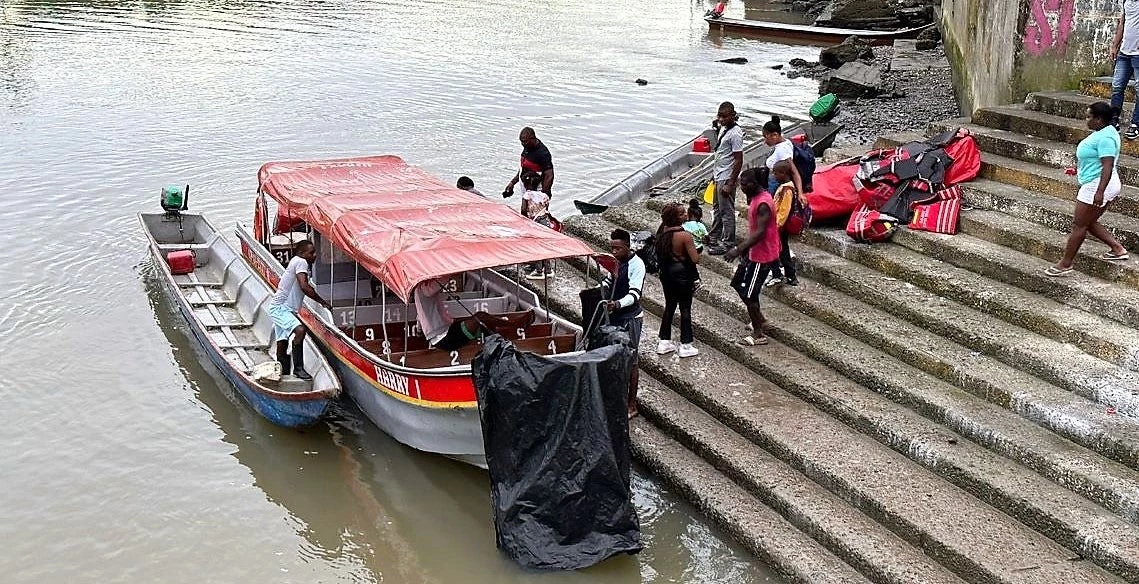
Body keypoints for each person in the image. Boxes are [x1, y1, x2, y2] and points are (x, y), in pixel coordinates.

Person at [1047, 102, 1130, 276]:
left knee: (1079, 225)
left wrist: (1099, 192)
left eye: (1089, 117)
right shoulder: (1105, 132)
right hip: (1095, 181)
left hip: (1097, 185)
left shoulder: (1106, 138)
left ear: (1099, 119)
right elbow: (1096, 161)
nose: (1086, 120)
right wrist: (1079, 170)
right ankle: (1117, 249)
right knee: (1088, 222)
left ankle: (1065, 264)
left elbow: (1107, 165)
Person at [724, 168, 782, 346]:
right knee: (737, 282)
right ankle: (760, 319)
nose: (741, 187)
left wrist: (737, 249)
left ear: (754, 184)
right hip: (752, 252)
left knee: (750, 294)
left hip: (761, 255)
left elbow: (760, 233)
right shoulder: (756, 198)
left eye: (744, 184)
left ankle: (758, 334)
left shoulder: (764, 203)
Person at [269, 240, 332, 380]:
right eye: (311, 253)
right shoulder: (300, 262)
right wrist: (323, 302)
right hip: (280, 308)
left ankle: (283, 372)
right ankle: (298, 369)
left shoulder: (298, 262)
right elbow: (304, 286)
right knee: (300, 330)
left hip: (282, 308)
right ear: (301, 253)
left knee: (282, 340)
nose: (315, 255)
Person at [414, 278, 535, 351]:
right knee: (480, 317)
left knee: (483, 324)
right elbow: (438, 284)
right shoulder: (423, 289)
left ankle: (503, 342)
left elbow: (420, 317)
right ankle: (515, 324)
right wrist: (452, 270)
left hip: (446, 333)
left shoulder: (419, 293)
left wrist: (420, 331)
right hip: (445, 338)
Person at [601, 229, 646, 418]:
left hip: (630, 317)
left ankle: (632, 404)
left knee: (632, 361)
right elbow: (609, 281)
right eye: (611, 248)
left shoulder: (637, 265)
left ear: (627, 246)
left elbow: (634, 294)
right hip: (615, 315)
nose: (614, 252)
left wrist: (618, 304)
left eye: (617, 249)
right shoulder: (617, 263)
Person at [655, 202, 701, 358]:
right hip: (682, 276)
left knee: (669, 307)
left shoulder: (661, 232)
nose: (685, 215)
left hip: (666, 275)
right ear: (674, 217)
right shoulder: (684, 235)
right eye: (681, 214)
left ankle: (664, 342)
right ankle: (685, 345)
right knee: (685, 309)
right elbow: (695, 259)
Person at [707, 102, 745, 255]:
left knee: (726, 211)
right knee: (717, 209)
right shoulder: (724, 128)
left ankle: (728, 243)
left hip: (726, 176)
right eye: (720, 116)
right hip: (718, 174)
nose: (721, 119)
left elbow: (738, 160)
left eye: (724, 117)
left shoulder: (735, 134)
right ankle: (714, 236)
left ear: (732, 116)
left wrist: (730, 183)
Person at [766, 160, 801, 287]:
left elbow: (784, 211)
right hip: (778, 225)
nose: (774, 176)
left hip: (780, 226)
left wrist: (776, 226)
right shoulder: (784, 187)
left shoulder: (787, 190)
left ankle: (784, 275)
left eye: (776, 173)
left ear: (783, 173)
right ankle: (788, 275)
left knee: (780, 251)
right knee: (782, 250)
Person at [1110, 1, 1139, 139]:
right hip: (1124, 53)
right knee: (1117, 87)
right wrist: (1115, 45)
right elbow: (1122, 23)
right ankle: (1113, 121)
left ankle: (1135, 124)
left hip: (1138, 55)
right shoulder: (1126, 1)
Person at [519, 170, 554, 280]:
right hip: (545, 222)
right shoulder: (544, 196)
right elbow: (546, 209)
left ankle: (538, 271)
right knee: (545, 246)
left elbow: (523, 209)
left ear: (525, 184)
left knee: (536, 246)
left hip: (535, 223)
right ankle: (548, 269)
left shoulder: (527, 195)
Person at [503, 127, 555, 198]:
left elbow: (549, 175)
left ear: (533, 138)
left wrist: (543, 195)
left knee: (532, 208)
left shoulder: (543, 153)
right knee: (525, 207)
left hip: (537, 191)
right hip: (526, 189)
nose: (523, 144)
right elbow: (523, 169)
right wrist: (512, 183)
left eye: (525, 141)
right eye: (521, 141)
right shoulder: (527, 147)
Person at [761, 116, 805, 196]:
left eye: (766, 137)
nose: (764, 141)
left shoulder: (783, 150)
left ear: (775, 135)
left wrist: (800, 193)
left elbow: (794, 172)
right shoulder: (785, 142)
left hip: (775, 184)